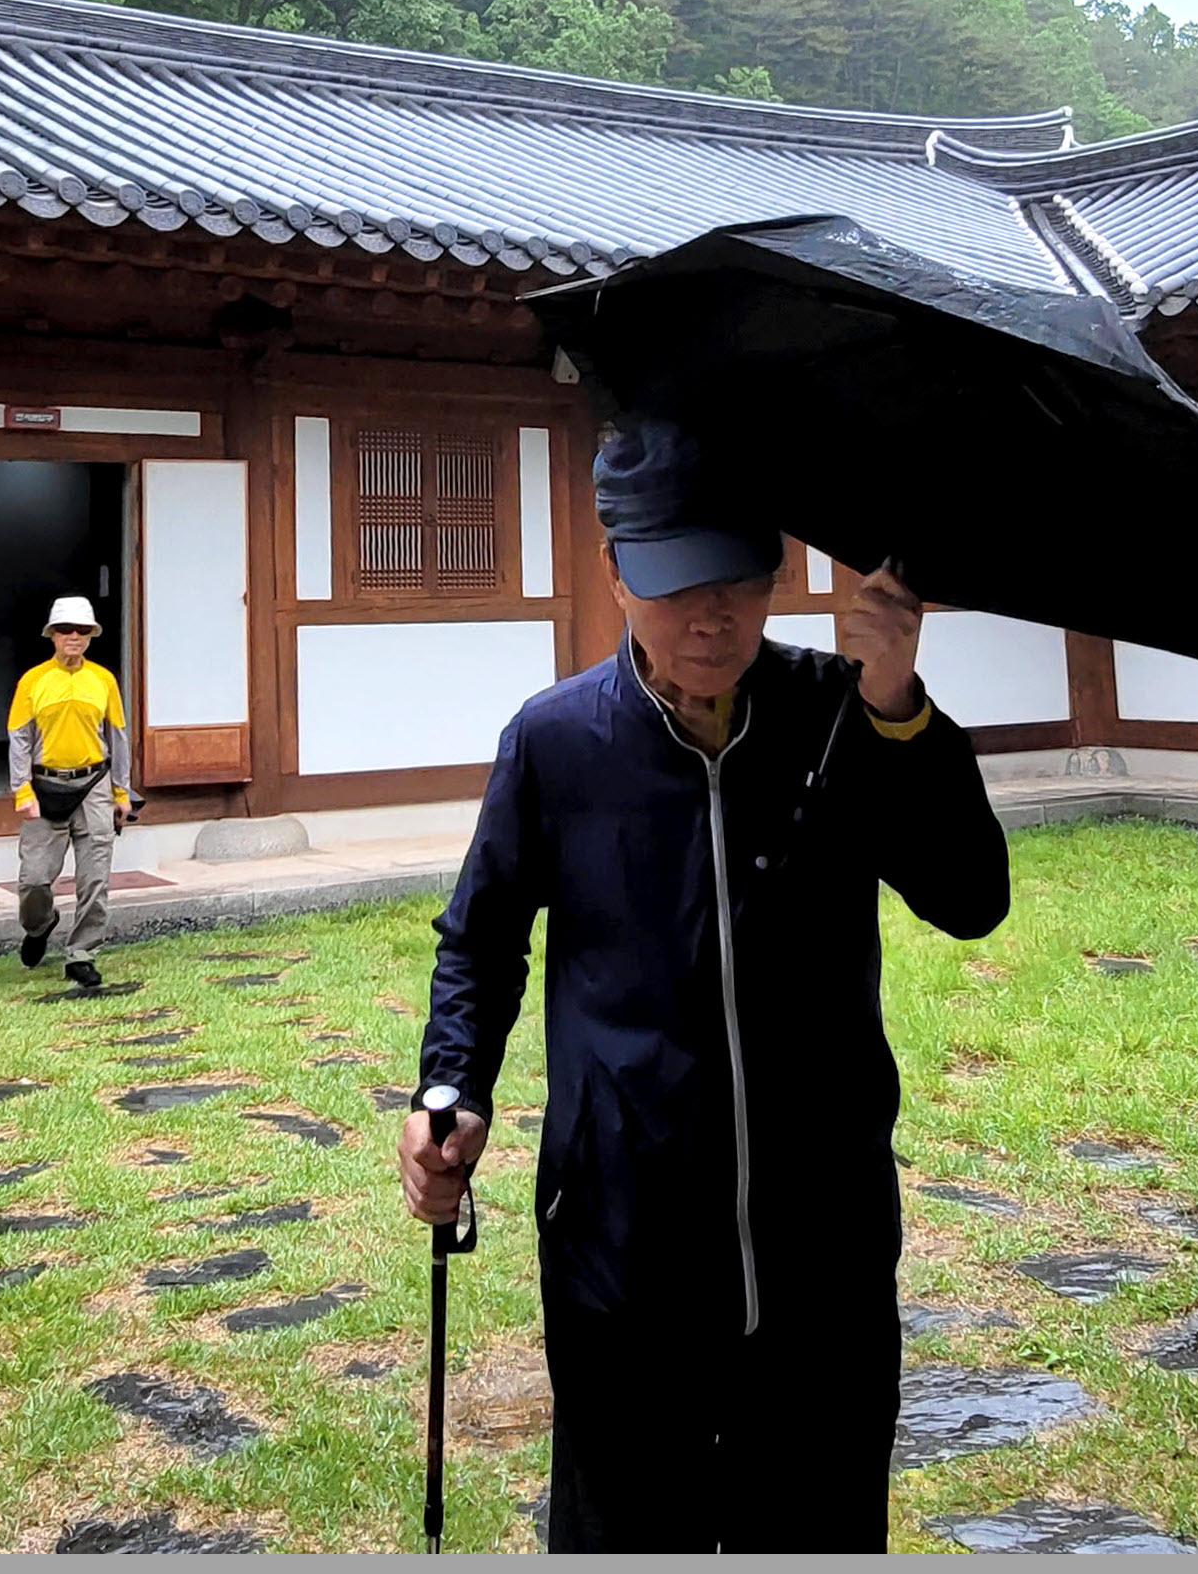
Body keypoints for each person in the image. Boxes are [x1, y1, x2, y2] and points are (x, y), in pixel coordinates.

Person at [397, 419, 1008, 1551]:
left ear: (777, 571)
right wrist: (452, 1088)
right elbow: (479, 942)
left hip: (823, 1248)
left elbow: (970, 897)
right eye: (674, 584)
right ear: (613, 570)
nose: (710, 617)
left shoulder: (844, 712)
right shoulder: (554, 743)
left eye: (736, 580)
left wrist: (896, 709)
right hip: (620, 1247)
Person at [6, 595, 139, 991]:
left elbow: (118, 736)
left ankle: (82, 954)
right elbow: (19, 738)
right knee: (34, 879)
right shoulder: (33, 681)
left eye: (82, 630)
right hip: (45, 784)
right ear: (52, 635)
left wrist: (122, 792)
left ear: (91, 635)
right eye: (66, 629)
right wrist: (21, 790)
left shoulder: (103, 680)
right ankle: (40, 925)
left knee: (95, 878)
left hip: (94, 784)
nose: (74, 637)